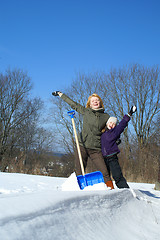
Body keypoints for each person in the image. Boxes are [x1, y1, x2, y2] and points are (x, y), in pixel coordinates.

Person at [52, 91, 114, 189]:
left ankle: (111, 189)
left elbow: (111, 129)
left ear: (100, 102)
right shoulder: (86, 111)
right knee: (79, 171)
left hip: (96, 149)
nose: (95, 102)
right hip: (82, 146)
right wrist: (61, 94)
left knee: (104, 172)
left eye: (97, 100)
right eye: (93, 100)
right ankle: (77, 190)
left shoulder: (106, 116)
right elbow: (73, 104)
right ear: (89, 103)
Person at [101, 106, 137, 189]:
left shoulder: (115, 132)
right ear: (107, 123)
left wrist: (130, 113)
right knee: (105, 176)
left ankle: (125, 190)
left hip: (112, 157)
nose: (112, 125)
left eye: (114, 124)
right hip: (103, 158)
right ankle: (106, 189)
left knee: (117, 175)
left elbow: (123, 123)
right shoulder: (101, 133)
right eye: (110, 123)